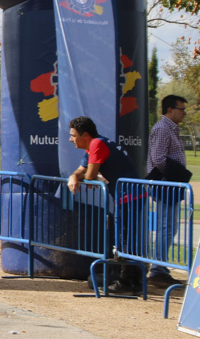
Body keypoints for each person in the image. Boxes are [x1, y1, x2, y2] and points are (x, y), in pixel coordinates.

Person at [66, 116, 143, 294]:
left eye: (73, 135)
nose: (70, 139)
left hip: (129, 195)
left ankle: (127, 281)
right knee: (124, 235)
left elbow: (91, 175)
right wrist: (73, 176)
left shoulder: (96, 144)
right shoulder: (93, 145)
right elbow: (81, 170)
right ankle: (133, 280)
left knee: (125, 236)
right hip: (125, 195)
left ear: (85, 135)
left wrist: (85, 176)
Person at [146, 95, 190, 288]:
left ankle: (160, 268)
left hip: (170, 184)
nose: (184, 113)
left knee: (170, 227)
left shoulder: (170, 128)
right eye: (182, 109)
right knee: (167, 227)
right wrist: (175, 176)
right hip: (165, 184)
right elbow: (158, 158)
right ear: (170, 110)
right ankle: (157, 270)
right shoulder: (163, 128)